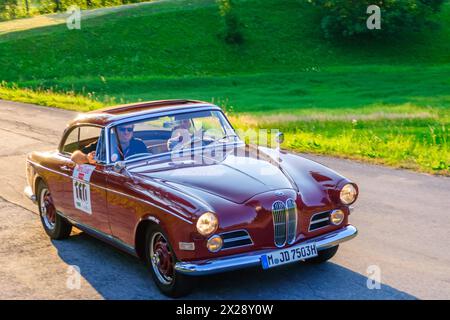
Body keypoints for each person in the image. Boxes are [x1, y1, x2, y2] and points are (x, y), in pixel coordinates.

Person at [71, 124, 148, 165]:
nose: (126, 132)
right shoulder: (105, 143)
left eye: (129, 129)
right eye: (122, 129)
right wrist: (87, 158)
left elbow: (146, 163)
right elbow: (75, 156)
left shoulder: (139, 144)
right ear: (115, 131)